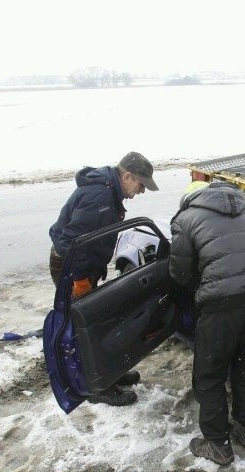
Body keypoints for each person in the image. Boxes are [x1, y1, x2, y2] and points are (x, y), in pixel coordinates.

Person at [169, 180, 245, 466]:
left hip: (219, 307)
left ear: (191, 199)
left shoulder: (186, 219)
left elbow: (180, 273)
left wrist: (202, 285)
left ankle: (217, 443)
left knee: (210, 375)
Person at [48, 151, 160, 406]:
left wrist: (95, 267)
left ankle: (109, 375)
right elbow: (70, 243)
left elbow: (91, 237)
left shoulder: (109, 191)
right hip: (71, 267)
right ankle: (93, 387)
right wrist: (78, 278)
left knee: (96, 323)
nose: (141, 191)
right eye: (141, 185)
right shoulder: (99, 194)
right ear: (128, 176)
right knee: (83, 329)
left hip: (83, 265)